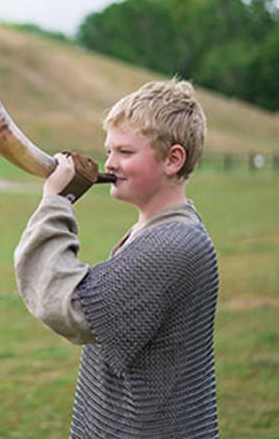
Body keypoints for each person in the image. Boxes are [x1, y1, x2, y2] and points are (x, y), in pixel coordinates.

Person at [14, 79, 219, 438]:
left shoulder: (173, 244)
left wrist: (56, 202)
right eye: (109, 151)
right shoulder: (159, 230)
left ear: (173, 159)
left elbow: (72, 307)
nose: (110, 164)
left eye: (125, 152)